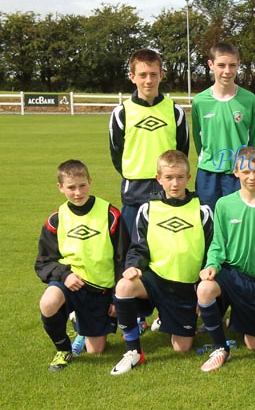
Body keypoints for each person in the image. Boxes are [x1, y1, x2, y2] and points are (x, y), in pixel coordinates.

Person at [110, 150, 213, 375]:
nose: (174, 183)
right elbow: (139, 246)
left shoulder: (202, 210)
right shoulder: (148, 209)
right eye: (168, 178)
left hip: (185, 286)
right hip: (155, 279)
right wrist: (134, 265)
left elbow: (210, 251)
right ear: (159, 179)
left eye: (179, 177)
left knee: (181, 348)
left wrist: (201, 287)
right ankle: (133, 351)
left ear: (189, 177)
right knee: (124, 287)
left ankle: (168, 319)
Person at [196, 147, 255, 372]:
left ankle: (235, 321)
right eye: (246, 171)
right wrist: (212, 265)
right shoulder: (224, 205)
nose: (252, 176)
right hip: (230, 274)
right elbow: (218, 244)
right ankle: (220, 348)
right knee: (205, 289)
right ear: (236, 172)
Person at [35, 160, 128, 371]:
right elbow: (43, 262)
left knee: (95, 350)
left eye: (82, 185)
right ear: (60, 188)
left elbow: (122, 258)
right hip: (70, 284)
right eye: (71, 187)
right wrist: (64, 274)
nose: (78, 192)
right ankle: (63, 349)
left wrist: (116, 296)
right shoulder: (56, 220)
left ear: (90, 182)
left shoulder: (110, 214)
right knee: (48, 302)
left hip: (99, 290)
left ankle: (80, 324)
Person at [109, 49, 190, 235]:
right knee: (131, 245)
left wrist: (169, 176)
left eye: (153, 74)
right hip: (135, 188)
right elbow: (116, 151)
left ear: (161, 76)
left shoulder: (175, 111)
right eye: (142, 75)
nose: (148, 80)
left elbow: (182, 150)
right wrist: (134, 171)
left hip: (167, 185)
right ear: (132, 77)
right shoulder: (122, 112)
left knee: (164, 242)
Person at [191, 42, 255, 210]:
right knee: (209, 223)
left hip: (238, 174)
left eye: (232, 65)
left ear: (239, 65)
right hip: (208, 173)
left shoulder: (249, 100)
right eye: (221, 65)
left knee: (238, 223)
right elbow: (198, 138)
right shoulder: (200, 101)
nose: (227, 71)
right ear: (211, 65)